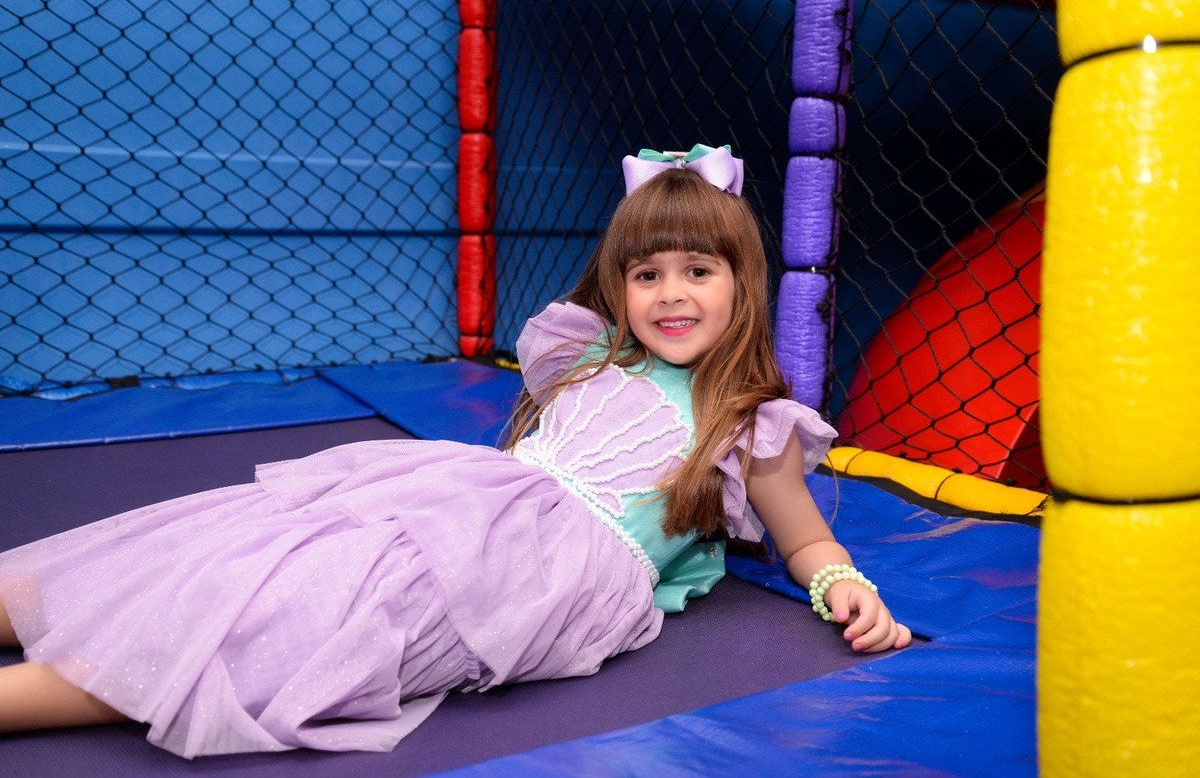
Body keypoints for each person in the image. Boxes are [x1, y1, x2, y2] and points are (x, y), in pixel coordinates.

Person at [0, 144, 910, 758]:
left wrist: (843, 584)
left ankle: (36, 696)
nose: (671, 294)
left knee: (298, 630)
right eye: (648, 273)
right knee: (239, 547)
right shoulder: (591, 353)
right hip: (457, 501)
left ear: (743, 282)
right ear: (621, 284)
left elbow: (802, 536)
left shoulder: (751, 420)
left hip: (544, 577)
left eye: (698, 271)